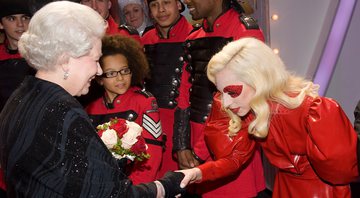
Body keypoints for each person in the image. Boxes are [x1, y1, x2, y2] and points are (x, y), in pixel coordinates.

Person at [0, 2, 186, 197]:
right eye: (96, 59)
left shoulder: (23, 95)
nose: (99, 70)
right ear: (65, 59)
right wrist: (164, 186)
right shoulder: (64, 113)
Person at [179, 37, 359, 197]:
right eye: (221, 92)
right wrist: (198, 173)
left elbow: (342, 172)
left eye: (232, 91)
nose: (225, 103)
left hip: (325, 192)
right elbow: (234, 158)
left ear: (259, 80)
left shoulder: (316, 112)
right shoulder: (251, 113)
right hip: (283, 189)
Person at [174, 0, 265, 196]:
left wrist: (199, 152)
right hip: (196, 141)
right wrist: (181, 144)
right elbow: (184, 94)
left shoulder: (245, 32)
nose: (186, 1)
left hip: (231, 140)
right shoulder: (193, 36)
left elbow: (247, 101)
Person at [86, 35, 163, 185]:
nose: (120, 78)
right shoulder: (90, 108)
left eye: (124, 70)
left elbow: (152, 157)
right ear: (99, 78)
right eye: (112, 73)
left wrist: (133, 191)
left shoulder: (145, 102)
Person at [141, 0, 192, 179]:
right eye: (154, 5)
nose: (161, 10)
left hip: (183, 124)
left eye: (167, 3)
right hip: (152, 123)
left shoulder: (194, 36)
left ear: (179, 5)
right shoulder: (146, 40)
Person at [0, 1, 34, 195]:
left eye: (25, 18)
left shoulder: (42, 56)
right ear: (1, 24)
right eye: (12, 19)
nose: (20, 24)